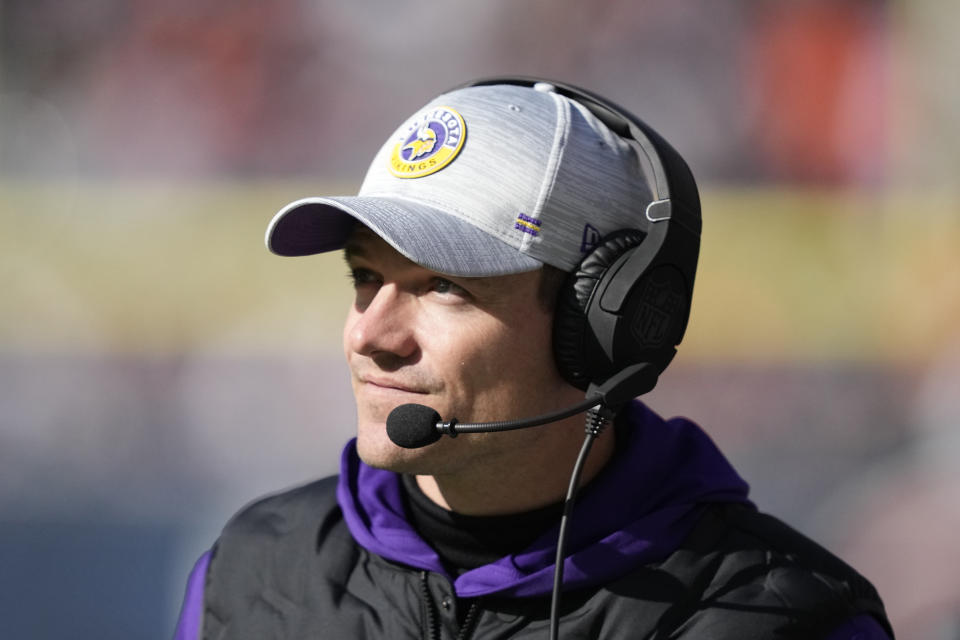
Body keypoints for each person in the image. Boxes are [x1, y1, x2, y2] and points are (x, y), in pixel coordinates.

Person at [173, 78, 893, 639]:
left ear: (603, 321)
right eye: (364, 277)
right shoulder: (249, 572)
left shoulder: (780, 619)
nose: (371, 333)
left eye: (444, 286)